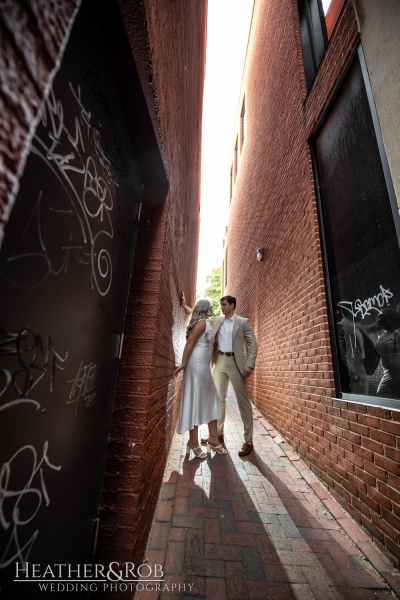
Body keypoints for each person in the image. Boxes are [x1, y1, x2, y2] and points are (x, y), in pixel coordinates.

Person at [182, 293, 258, 457]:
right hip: (220, 361)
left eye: (224, 305)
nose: (221, 307)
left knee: (243, 401)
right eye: (221, 305)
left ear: (232, 305)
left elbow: (253, 343)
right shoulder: (217, 321)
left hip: (237, 363)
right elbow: (197, 315)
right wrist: (184, 306)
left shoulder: (243, 322)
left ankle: (248, 441)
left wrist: (250, 364)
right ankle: (217, 435)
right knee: (217, 399)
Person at [174, 299, 228, 458]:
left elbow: (194, 312)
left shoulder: (205, 322)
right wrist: (183, 364)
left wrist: (185, 307)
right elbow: (190, 343)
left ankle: (213, 438)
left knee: (212, 400)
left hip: (202, 367)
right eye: (210, 307)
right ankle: (193, 442)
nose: (212, 309)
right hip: (196, 366)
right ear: (205, 309)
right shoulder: (202, 324)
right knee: (196, 402)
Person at [337, 311, 379, 395]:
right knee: (358, 398)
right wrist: (352, 371)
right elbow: (342, 354)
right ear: (350, 313)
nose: (361, 313)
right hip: (354, 371)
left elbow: (372, 328)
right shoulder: (341, 326)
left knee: (365, 396)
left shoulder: (358, 326)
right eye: (358, 311)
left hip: (362, 367)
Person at [374, 308, 400, 399]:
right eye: (378, 317)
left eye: (381, 317)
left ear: (390, 318)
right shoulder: (384, 334)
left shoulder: (397, 333)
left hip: (396, 374)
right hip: (389, 373)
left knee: (381, 396)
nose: (378, 319)